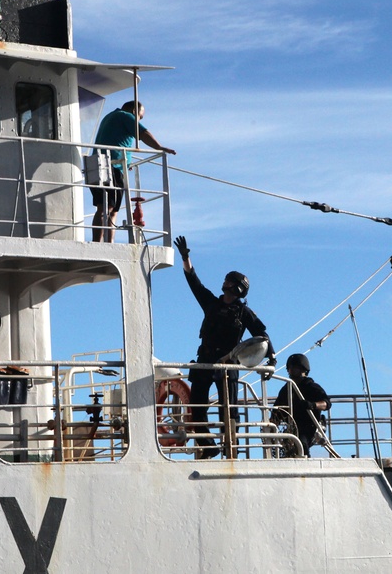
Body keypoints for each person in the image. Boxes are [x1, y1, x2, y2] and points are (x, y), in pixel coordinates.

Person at [173, 235, 266, 459]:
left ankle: (230, 450)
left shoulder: (244, 313)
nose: (224, 282)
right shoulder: (212, 304)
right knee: (196, 411)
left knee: (229, 411)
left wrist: (269, 358)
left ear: (236, 288)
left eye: (228, 281)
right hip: (204, 362)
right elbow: (194, 283)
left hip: (227, 366)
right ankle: (208, 446)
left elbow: (262, 336)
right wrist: (186, 258)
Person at [90, 101, 176, 242]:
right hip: (110, 166)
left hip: (100, 164)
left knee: (112, 210)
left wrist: (126, 162)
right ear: (135, 112)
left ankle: (108, 243)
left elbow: (115, 141)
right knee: (106, 207)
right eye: (140, 117)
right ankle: (98, 243)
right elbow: (143, 133)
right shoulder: (125, 116)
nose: (139, 120)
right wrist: (159, 147)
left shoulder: (111, 116)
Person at [274, 353, 330, 456]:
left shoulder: (311, 387)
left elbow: (326, 403)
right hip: (292, 427)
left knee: (301, 443)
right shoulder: (286, 389)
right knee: (288, 447)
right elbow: (277, 411)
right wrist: (272, 426)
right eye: (289, 368)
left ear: (302, 369)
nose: (290, 371)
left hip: (310, 427)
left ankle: (305, 465)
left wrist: (312, 405)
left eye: (293, 368)